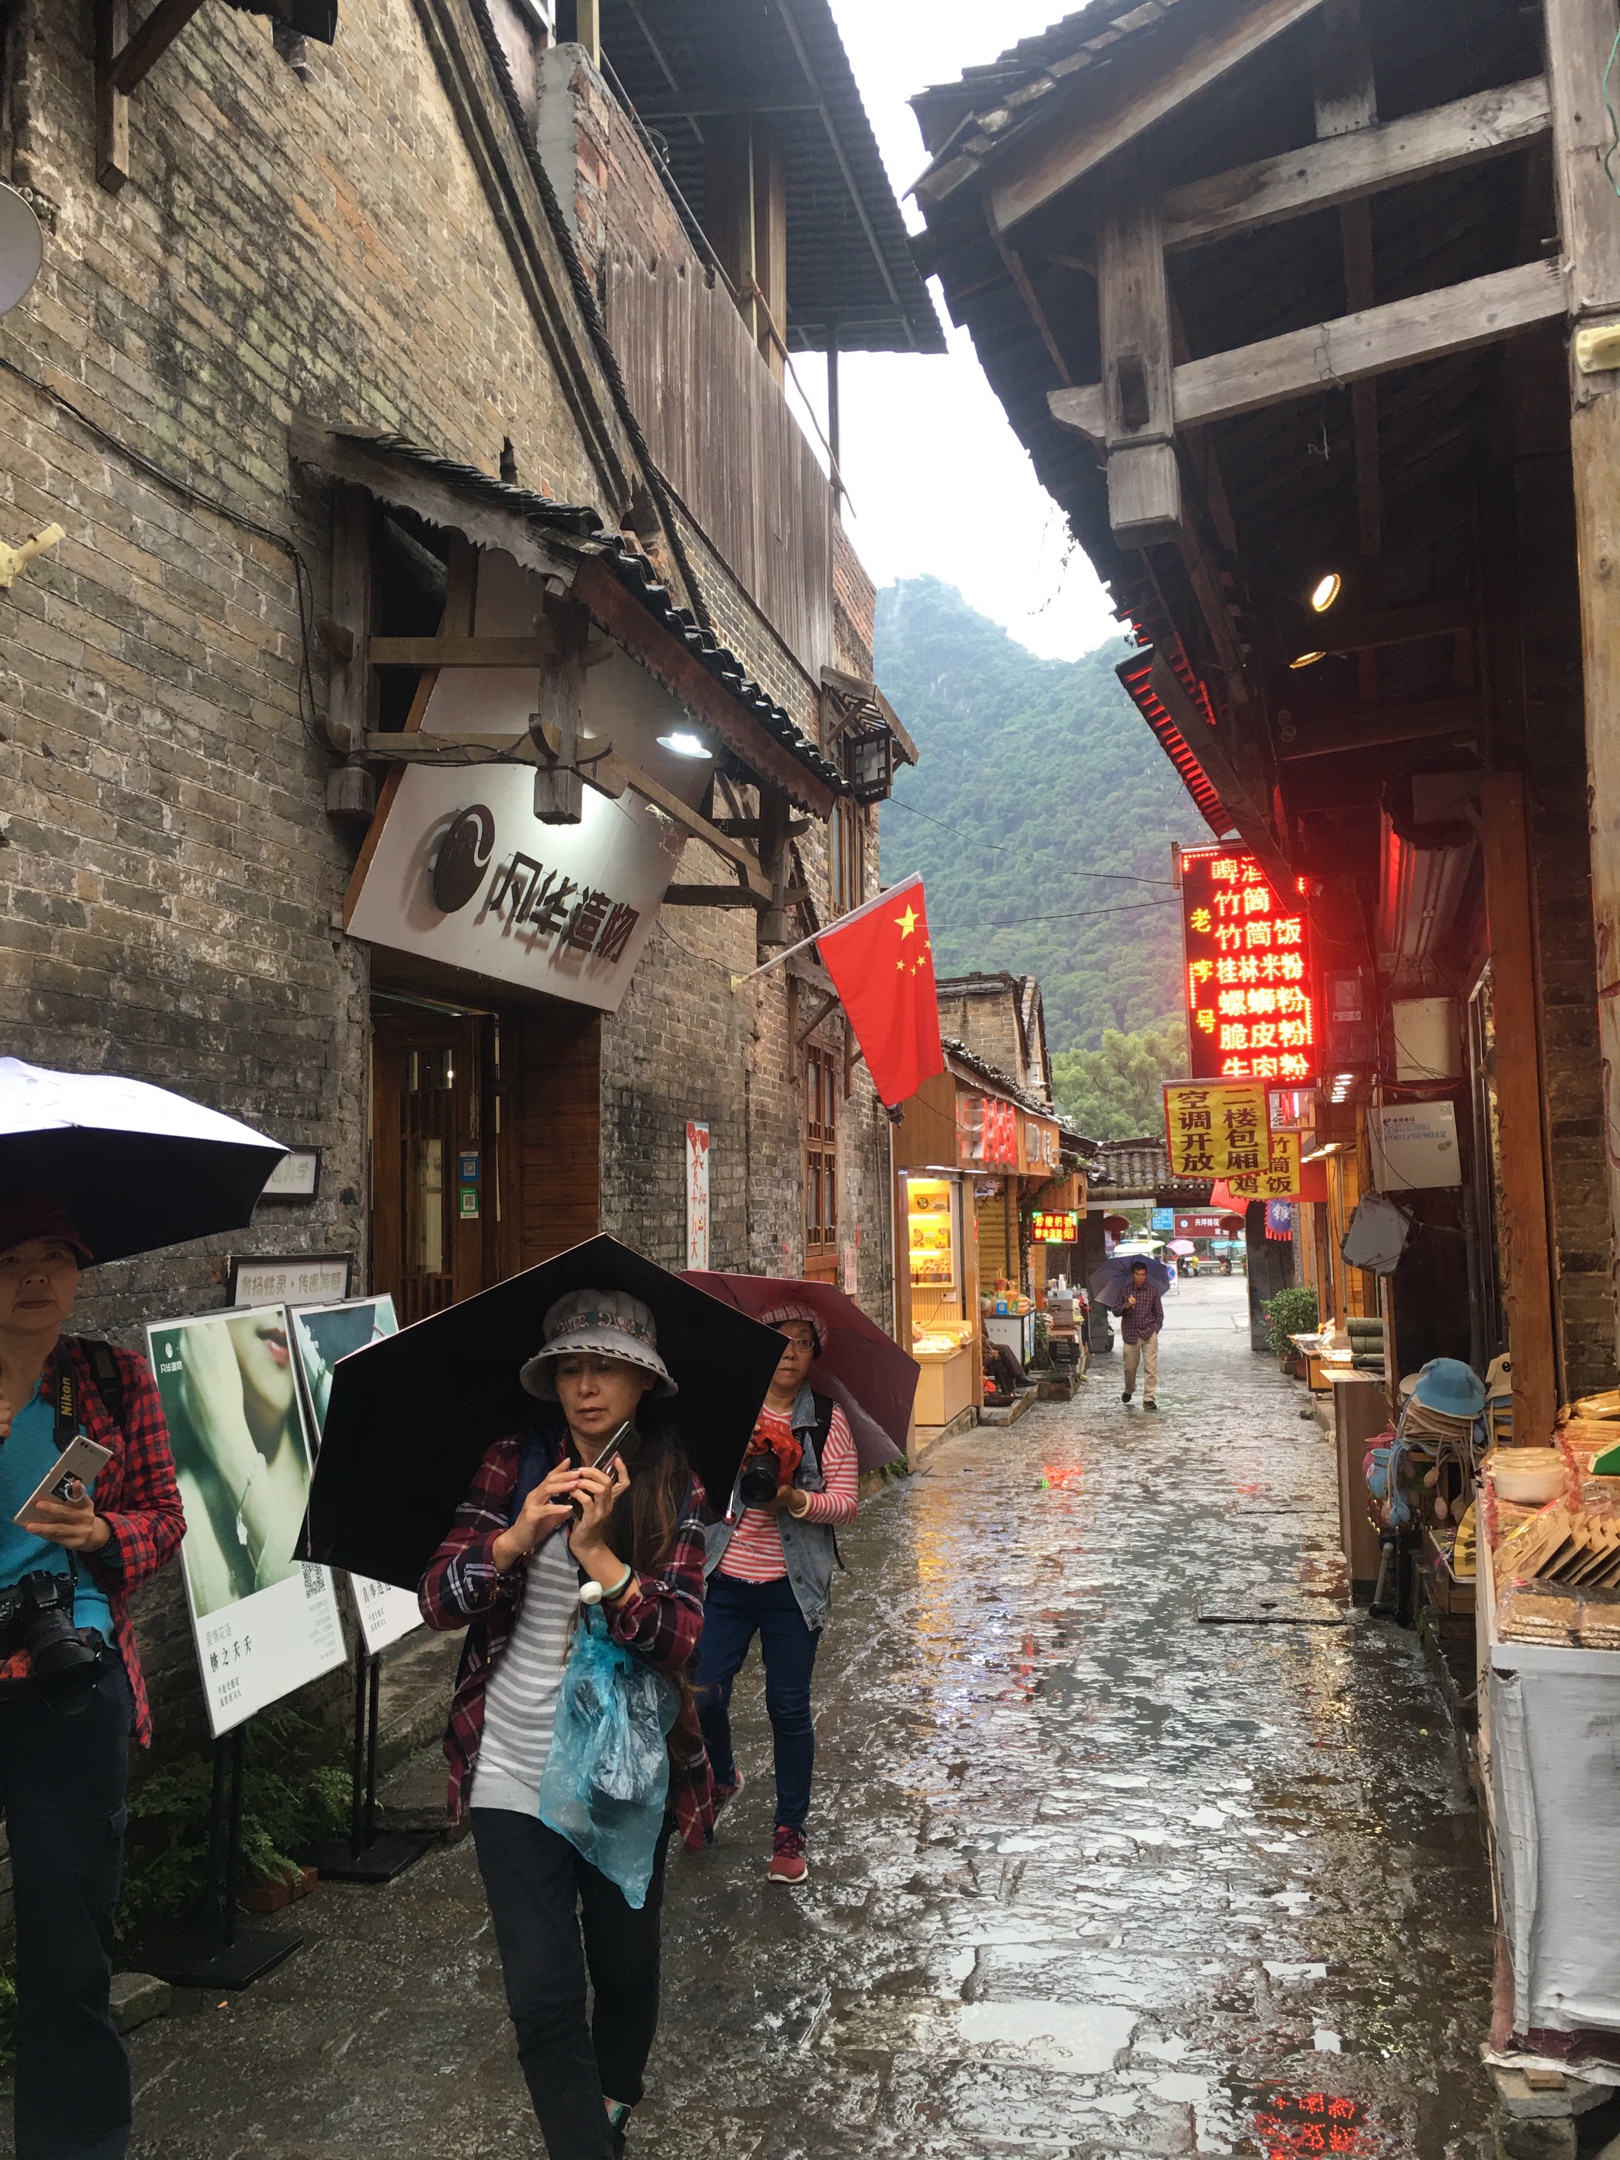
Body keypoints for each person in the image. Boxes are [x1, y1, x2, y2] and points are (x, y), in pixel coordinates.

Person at [419, 1289, 714, 2160]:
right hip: (509, 1763)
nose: (587, 1387)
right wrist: (514, 1540)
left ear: (642, 1382)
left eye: (608, 1368)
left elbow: (681, 1636)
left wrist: (598, 1556)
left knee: (622, 1969)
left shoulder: (675, 1481)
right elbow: (439, 1601)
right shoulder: (515, 1464)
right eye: (572, 1368)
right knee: (542, 1996)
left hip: (622, 1774)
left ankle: (613, 2102)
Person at [0, 1198, 185, 2160]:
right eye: (13, 1259)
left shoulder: (107, 1379)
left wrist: (109, 1534)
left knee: (69, 1961)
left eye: (56, 1260)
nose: (37, 1279)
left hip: (70, 1684)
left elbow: (167, 1514)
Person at [694, 1302, 857, 1886]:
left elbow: (846, 1501)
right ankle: (723, 1771)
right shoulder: (730, 1409)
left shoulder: (826, 1421)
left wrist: (796, 1500)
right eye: (776, 1341)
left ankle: (790, 1830)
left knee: (787, 1708)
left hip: (792, 1588)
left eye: (800, 1342)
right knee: (703, 1692)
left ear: (815, 1353)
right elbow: (696, 1484)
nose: (787, 1352)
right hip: (725, 1580)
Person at [163, 1309, 311, 1617]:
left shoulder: (325, 1465)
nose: (277, 1314)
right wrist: (225, 1431)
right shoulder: (184, 1514)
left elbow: (314, 1612)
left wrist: (225, 1432)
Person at [1120, 1259, 1164, 1412]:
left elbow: (1159, 1314)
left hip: (1148, 1333)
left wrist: (1155, 1330)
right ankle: (1129, 1389)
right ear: (1132, 1274)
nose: (1140, 1277)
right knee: (1129, 1368)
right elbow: (1115, 1310)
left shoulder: (1152, 1291)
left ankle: (1149, 1398)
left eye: (1143, 1275)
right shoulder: (1125, 1290)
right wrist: (1127, 1305)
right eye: (1137, 1274)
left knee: (1151, 1368)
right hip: (1130, 1335)